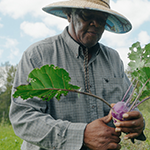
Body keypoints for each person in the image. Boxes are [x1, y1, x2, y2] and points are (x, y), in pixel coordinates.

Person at [9, 0, 146, 150]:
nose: (95, 23)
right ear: (69, 14)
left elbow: (127, 103)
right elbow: (23, 117)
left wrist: (136, 122)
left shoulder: (113, 59)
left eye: (102, 19)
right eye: (87, 15)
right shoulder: (38, 55)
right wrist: (81, 135)